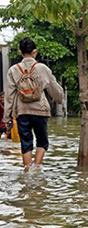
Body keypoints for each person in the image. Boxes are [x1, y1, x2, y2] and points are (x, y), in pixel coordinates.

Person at [4, 37, 63, 169]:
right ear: (34, 52)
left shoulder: (13, 70)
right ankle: (36, 168)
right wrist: (60, 100)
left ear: (20, 52)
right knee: (42, 142)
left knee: (26, 142)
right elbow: (54, 89)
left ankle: (27, 170)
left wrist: (7, 116)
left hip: (22, 111)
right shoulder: (43, 68)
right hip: (40, 110)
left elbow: (9, 96)